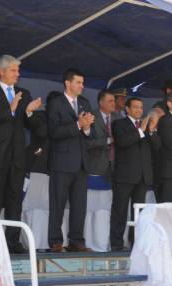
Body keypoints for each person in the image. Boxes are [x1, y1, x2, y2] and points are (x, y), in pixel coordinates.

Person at [0, 55, 42, 254]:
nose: (17, 74)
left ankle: (12, 241)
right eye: (13, 70)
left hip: (17, 155)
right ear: (2, 71)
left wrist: (29, 112)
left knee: (15, 198)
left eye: (18, 70)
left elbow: (34, 127)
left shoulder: (24, 93)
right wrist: (10, 109)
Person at [47, 68, 95, 253]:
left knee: (79, 205)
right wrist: (78, 125)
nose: (82, 86)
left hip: (81, 162)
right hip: (61, 161)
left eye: (83, 82)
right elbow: (54, 132)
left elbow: (91, 133)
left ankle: (76, 241)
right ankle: (55, 241)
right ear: (68, 83)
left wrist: (87, 128)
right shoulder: (56, 103)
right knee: (57, 203)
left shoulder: (84, 103)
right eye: (78, 82)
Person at [110, 97, 161, 251]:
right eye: (136, 107)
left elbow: (157, 147)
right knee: (120, 210)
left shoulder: (146, 127)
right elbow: (123, 142)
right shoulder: (119, 124)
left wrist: (151, 130)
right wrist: (140, 131)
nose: (139, 110)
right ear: (127, 109)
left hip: (143, 177)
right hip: (125, 175)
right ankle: (117, 244)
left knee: (138, 213)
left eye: (141, 107)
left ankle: (135, 242)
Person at [88, 89, 119, 177]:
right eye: (110, 101)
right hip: (96, 164)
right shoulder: (91, 117)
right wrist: (108, 140)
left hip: (115, 165)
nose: (114, 103)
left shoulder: (118, 118)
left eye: (114, 101)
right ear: (101, 103)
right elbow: (87, 142)